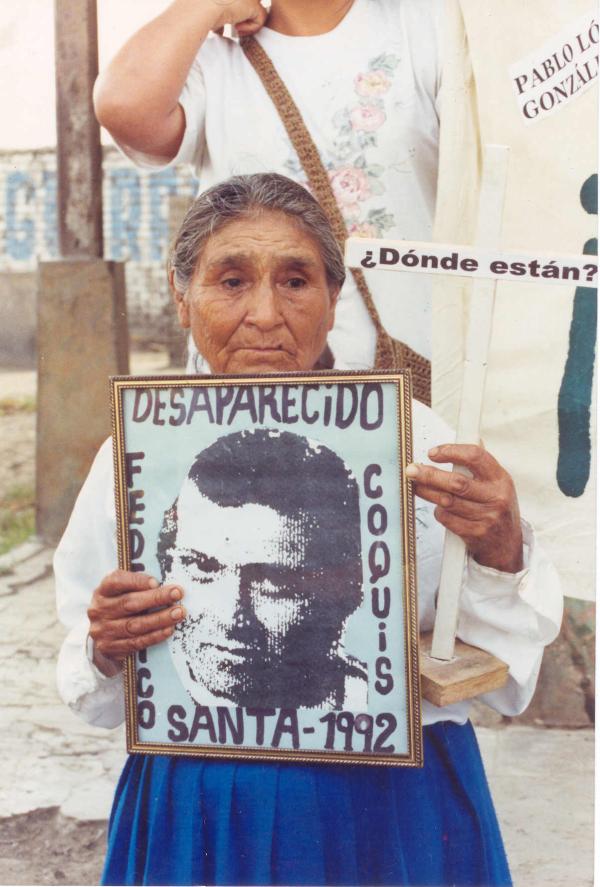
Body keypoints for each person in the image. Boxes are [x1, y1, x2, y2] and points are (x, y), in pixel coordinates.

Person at [55, 173, 562, 886]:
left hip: (388, 813)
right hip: (201, 810)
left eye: (295, 280)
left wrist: (501, 550)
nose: (265, 313)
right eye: (230, 280)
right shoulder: (133, 453)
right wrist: (104, 644)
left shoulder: (418, 443)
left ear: (334, 298)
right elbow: (90, 686)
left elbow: (504, 683)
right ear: (181, 297)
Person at [93, 0, 442, 371]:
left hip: (407, 378)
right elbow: (122, 106)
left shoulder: (430, 27)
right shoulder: (215, 64)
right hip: (244, 383)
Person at [157, 428, 367, 710]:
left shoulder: (377, 705)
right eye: (202, 567)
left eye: (275, 579)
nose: (232, 617)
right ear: (168, 568)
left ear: (349, 587)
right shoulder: (155, 690)